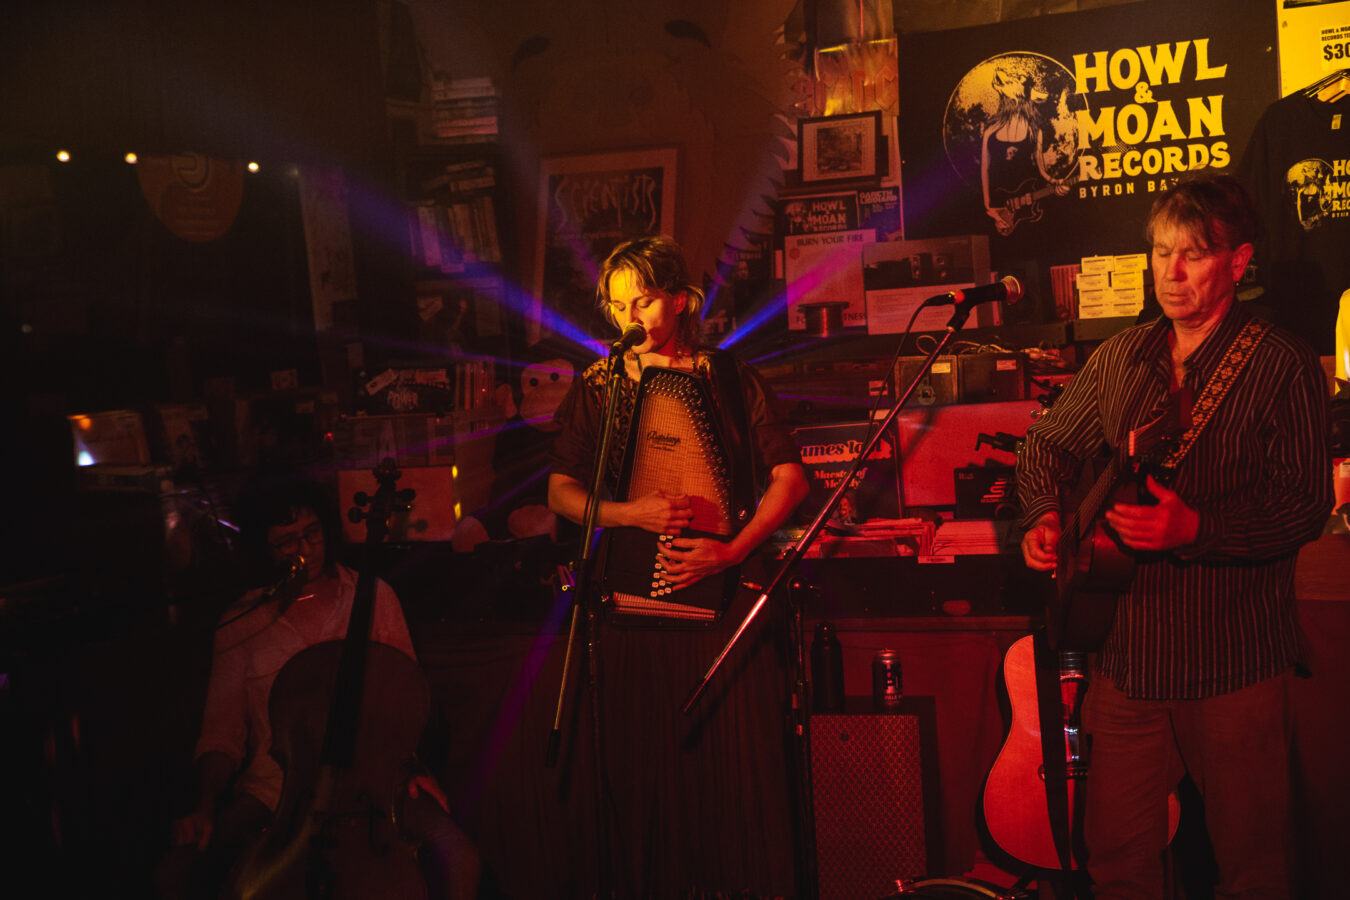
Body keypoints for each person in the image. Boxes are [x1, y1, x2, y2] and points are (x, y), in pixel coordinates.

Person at [1016, 173, 1332, 899]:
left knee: (1255, 872)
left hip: (1234, 661)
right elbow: (1043, 446)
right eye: (1161, 254)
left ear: (1239, 262)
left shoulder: (1282, 363)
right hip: (1127, 662)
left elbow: (1305, 505)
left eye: (1192, 254)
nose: (1172, 273)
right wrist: (1042, 517)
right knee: (1118, 864)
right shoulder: (1121, 356)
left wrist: (1197, 529)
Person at [546, 235, 809, 896]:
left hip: (721, 609)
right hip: (632, 617)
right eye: (617, 305)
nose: (629, 317)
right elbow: (561, 492)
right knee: (645, 789)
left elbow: (791, 479)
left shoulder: (728, 376)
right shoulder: (598, 386)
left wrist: (733, 549)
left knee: (734, 787)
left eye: (644, 301)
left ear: (681, 300)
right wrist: (628, 514)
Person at [157, 474, 480, 900]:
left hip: (374, 784)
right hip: (276, 794)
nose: (305, 550)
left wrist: (413, 765)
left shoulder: (374, 596)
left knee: (460, 857)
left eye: (312, 534)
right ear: (264, 548)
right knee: (177, 872)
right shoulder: (243, 622)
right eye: (287, 541)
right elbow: (222, 734)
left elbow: (408, 701)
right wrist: (206, 805)